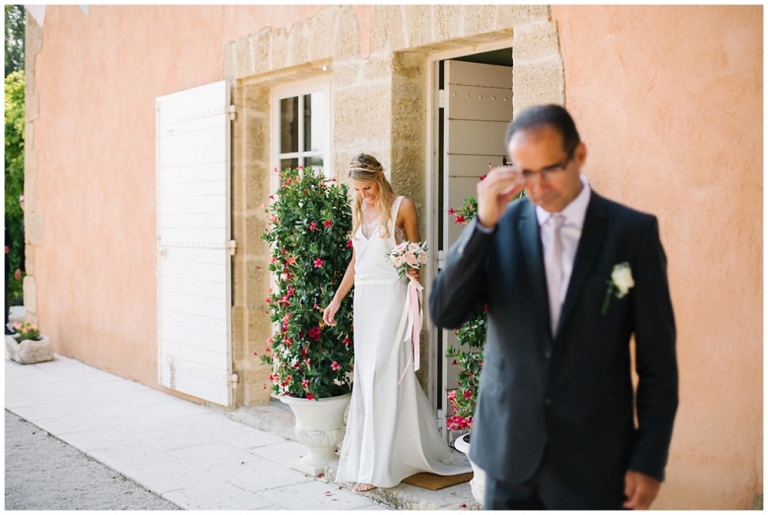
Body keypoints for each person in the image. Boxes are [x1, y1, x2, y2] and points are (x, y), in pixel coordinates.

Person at [429, 104, 678, 510]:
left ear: (579, 154)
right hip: (508, 458)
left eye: (550, 169)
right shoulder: (497, 228)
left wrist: (649, 460)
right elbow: (445, 312)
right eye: (526, 173)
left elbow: (659, 363)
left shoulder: (632, 234)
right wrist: (481, 226)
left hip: (595, 460)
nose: (538, 186)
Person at [323, 153, 471, 493]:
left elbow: (416, 254)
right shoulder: (359, 208)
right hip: (365, 299)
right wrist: (337, 299)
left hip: (392, 296)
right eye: (357, 189)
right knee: (367, 376)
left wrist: (412, 269)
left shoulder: (403, 205)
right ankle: (378, 458)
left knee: (382, 373)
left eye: (367, 187)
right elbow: (356, 262)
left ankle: (378, 467)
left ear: (379, 178)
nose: (364, 195)